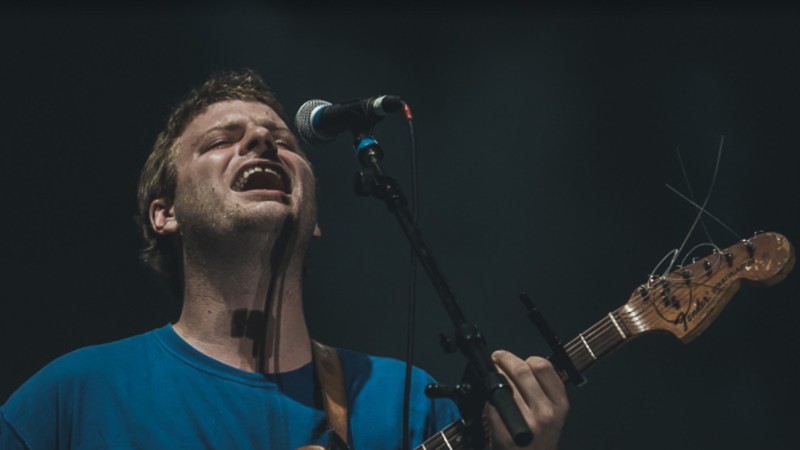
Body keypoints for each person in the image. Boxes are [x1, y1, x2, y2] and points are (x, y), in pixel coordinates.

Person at [0, 70, 568, 449]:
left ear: (313, 218)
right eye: (223, 138)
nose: (261, 142)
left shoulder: (407, 403)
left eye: (283, 140)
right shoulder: (73, 398)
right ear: (164, 213)